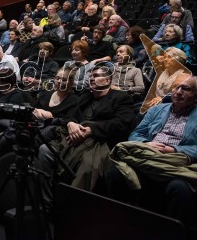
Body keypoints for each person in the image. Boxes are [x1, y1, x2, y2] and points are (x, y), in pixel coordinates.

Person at [106, 75, 197, 226]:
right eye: (176, 87)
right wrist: (147, 143)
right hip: (148, 156)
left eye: (185, 88)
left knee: (180, 189)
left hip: (176, 164)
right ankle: (118, 223)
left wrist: (174, 149)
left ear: (196, 95)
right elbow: (136, 134)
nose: (178, 92)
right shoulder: (156, 110)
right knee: (115, 172)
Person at [37, 63, 134, 209]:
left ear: (108, 80)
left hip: (99, 141)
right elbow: (70, 116)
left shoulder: (120, 97)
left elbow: (121, 124)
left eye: (96, 76)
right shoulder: (84, 97)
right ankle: (46, 204)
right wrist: (71, 124)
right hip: (73, 136)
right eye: (90, 76)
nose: (91, 79)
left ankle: (72, 210)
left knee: (88, 166)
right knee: (45, 150)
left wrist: (90, 130)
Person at [141, 45, 192, 114]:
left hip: (173, 107)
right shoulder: (162, 73)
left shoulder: (185, 76)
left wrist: (162, 98)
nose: (165, 59)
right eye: (165, 57)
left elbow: (181, 96)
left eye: (169, 57)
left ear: (178, 60)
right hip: (156, 103)